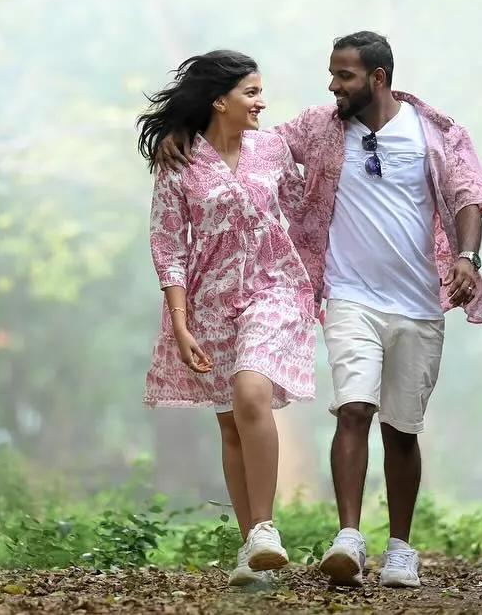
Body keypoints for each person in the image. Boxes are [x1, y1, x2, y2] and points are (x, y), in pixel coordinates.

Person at [156, 31, 482, 590]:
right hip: (341, 296)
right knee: (349, 410)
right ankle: (341, 538)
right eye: (332, 75)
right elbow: (220, 166)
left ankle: (401, 549)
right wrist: (179, 130)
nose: (332, 86)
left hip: (397, 299)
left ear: (378, 78)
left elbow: (466, 195)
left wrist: (466, 256)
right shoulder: (317, 128)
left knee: (401, 430)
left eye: (344, 76)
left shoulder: (434, 131)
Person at [137, 49, 318, 591]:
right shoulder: (180, 161)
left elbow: (306, 210)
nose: (262, 102)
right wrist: (180, 321)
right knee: (229, 422)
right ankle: (252, 548)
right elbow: (168, 244)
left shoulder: (274, 150)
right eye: (252, 92)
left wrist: (326, 280)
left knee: (251, 393)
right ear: (221, 100)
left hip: (275, 289)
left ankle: (264, 529)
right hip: (210, 302)